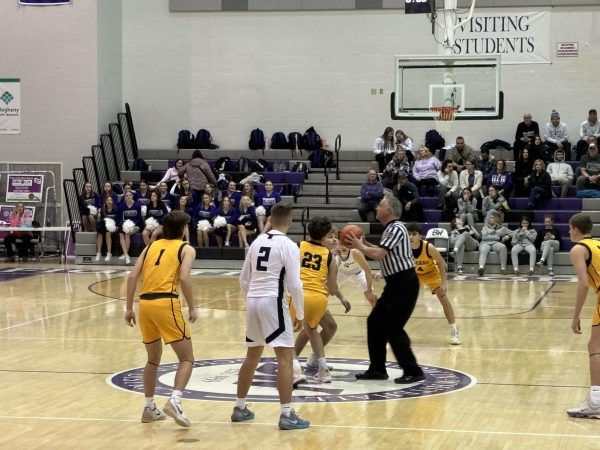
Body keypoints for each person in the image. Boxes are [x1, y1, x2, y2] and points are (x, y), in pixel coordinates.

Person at [232, 202, 310, 430]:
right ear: (290, 221)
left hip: (253, 300)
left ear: (270, 219)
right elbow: (295, 284)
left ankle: (239, 407)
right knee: (285, 358)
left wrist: (251, 298)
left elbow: (242, 279)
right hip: (272, 301)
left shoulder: (256, 242)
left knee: (252, 357)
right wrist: (300, 313)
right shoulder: (288, 245)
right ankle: (287, 414)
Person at [125, 210, 198, 428]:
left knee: (152, 359)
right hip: (166, 302)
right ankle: (175, 400)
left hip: (144, 305)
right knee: (187, 358)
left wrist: (128, 308)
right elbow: (184, 277)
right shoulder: (186, 248)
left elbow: (132, 276)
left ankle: (149, 407)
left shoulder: (150, 247)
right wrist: (192, 307)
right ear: (183, 229)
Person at [346, 194, 425, 384]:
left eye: (380, 206)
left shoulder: (396, 228)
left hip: (404, 284)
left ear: (388, 210)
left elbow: (380, 254)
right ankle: (377, 369)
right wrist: (364, 245)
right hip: (395, 284)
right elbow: (382, 250)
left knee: (393, 328)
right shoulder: (391, 229)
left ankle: (413, 371)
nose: (376, 209)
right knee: (375, 322)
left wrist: (358, 246)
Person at [291, 218, 351, 384]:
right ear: (324, 237)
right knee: (312, 330)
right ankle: (322, 370)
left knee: (287, 333)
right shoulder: (329, 257)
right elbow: (331, 289)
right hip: (319, 298)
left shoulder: (298, 246)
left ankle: (294, 370)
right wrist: (339, 295)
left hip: (299, 294)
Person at [565, 213, 600, 419]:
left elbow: (583, 284)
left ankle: (596, 401)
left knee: (593, 347)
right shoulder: (596, 244)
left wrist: (576, 315)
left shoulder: (578, 248)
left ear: (576, 230)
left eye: (570, 228)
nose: (569, 232)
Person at [406, 222, 461, 345]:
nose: (410, 237)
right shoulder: (404, 248)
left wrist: (444, 283)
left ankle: (454, 332)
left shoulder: (428, 247)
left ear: (419, 235)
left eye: (414, 234)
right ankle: (393, 332)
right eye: (409, 234)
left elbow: (442, 263)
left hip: (432, 273)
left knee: (444, 299)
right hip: (416, 275)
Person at [477, 211, 512, 276]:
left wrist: (508, 236)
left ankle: (503, 268)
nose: (490, 219)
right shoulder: (485, 226)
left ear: (496, 219)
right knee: (483, 250)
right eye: (490, 218)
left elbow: (513, 232)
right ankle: (481, 268)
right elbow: (483, 236)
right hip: (485, 242)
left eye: (492, 218)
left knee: (503, 247)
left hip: (495, 243)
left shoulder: (502, 228)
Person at [119, 190, 143, 264]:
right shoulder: (122, 206)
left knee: (127, 233)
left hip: (136, 226)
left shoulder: (137, 205)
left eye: (130, 195)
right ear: (124, 197)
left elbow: (139, 218)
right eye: (127, 195)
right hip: (125, 225)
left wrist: (132, 224)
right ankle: (126, 255)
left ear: (132, 196)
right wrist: (125, 224)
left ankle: (125, 254)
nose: (128, 197)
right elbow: (120, 219)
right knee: (121, 234)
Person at [95, 196, 119, 262]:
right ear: (105, 202)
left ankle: (109, 253)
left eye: (111, 200)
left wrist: (117, 226)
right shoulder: (103, 210)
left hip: (114, 227)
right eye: (107, 200)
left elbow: (118, 220)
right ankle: (99, 253)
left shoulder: (116, 209)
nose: (109, 201)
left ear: (112, 201)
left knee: (108, 233)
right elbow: (101, 221)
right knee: (99, 233)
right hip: (106, 227)